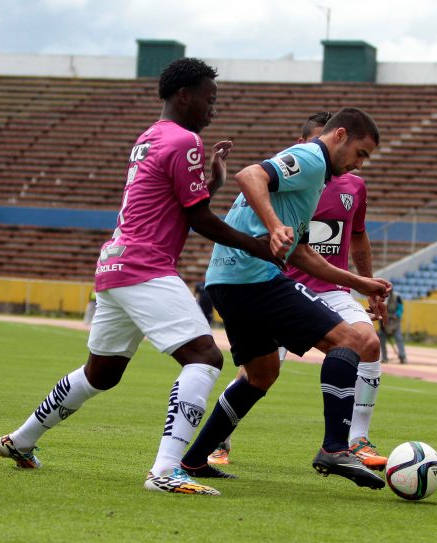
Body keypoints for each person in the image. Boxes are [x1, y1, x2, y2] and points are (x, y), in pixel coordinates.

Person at [0, 58, 281, 496]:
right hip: (145, 265)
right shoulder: (185, 139)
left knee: (101, 373)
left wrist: (213, 184)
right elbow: (199, 218)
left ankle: (21, 439)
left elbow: (175, 205)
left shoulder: (149, 136)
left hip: (115, 264)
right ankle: (166, 470)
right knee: (205, 357)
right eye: (209, 99)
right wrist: (257, 245)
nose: (213, 108)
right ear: (184, 95)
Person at [179, 107, 391, 490]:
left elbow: (302, 254)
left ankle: (194, 460)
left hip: (226, 280)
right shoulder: (313, 158)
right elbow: (249, 175)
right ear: (340, 135)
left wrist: (360, 282)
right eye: (361, 153)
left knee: (262, 374)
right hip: (254, 277)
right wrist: (275, 226)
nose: (360, 164)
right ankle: (335, 447)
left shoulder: (314, 177)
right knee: (350, 341)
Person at [378, 291, 406, 364]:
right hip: (384, 322)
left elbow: (400, 308)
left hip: (394, 321)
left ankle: (402, 357)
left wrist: (397, 315)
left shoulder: (397, 297)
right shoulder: (380, 297)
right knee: (382, 339)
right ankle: (384, 357)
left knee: (399, 338)